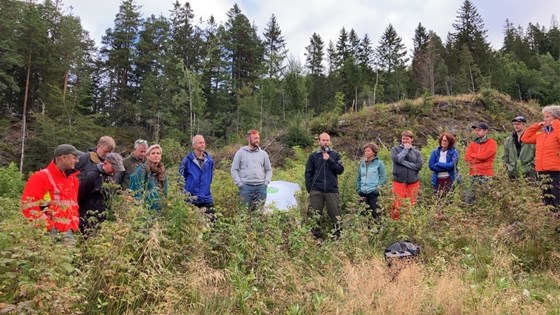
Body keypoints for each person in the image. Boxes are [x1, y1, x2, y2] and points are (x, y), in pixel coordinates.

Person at [21, 144, 80, 241]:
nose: (77, 161)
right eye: (74, 157)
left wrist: (73, 226)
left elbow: (74, 206)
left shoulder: (73, 180)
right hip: (47, 232)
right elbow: (28, 206)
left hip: (68, 231)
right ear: (63, 158)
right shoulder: (41, 177)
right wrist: (49, 226)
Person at [305, 133, 344, 238]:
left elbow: (340, 170)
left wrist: (330, 160)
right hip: (317, 190)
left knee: (336, 216)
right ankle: (315, 238)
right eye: (323, 140)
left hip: (332, 190)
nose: (325, 142)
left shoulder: (335, 155)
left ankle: (338, 237)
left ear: (330, 141)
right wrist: (310, 189)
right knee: (314, 216)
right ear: (319, 141)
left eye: (327, 140)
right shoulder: (313, 156)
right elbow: (308, 173)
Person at [521, 105, 560, 210]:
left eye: (548, 117)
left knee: (557, 198)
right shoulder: (541, 134)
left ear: (556, 118)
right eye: (544, 117)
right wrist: (537, 126)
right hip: (542, 170)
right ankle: (550, 221)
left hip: (556, 171)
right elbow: (525, 138)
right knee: (547, 199)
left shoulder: (557, 131)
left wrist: (556, 124)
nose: (545, 119)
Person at [78, 153, 125, 233]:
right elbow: (80, 195)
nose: (115, 171)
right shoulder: (92, 176)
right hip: (90, 217)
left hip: (106, 217)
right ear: (105, 163)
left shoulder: (114, 176)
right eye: (113, 168)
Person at [231, 129, 272, 211]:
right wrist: (239, 184)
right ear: (248, 139)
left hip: (261, 187)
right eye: (255, 138)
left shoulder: (263, 154)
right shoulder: (240, 153)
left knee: (258, 212)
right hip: (245, 188)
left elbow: (268, 170)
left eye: (258, 138)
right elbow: (234, 169)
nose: (257, 140)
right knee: (243, 212)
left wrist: (266, 182)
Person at [179, 135, 215, 220]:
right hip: (191, 199)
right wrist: (184, 195)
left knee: (211, 223)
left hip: (206, 198)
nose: (202, 144)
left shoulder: (209, 161)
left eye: (203, 142)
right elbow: (180, 179)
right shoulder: (186, 161)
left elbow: (210, 177)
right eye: (200, 143)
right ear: (194, 145)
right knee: (192, 225)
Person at [390, 130, 423, 220]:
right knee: (397, 204)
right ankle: (395, 223)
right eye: (403, 139)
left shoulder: (417, 153)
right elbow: (397, 159)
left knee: (411, 205)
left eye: (407, 139)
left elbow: (419, 166)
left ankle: (407, 224)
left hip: (413, 182)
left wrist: (404, 163)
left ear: (411, 139)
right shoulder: (395, 149)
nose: (405, 141)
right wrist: (405, 150)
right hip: (399, 181)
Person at [464, 122, 497, 205]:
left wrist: (473, 156)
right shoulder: (472, 144)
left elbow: (485, 156)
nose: (477, 132)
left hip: (486, 174)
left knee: (487, 197)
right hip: (473, 173)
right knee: (470, 198)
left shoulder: (492, 143)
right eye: (476, 130)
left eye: (479, 130)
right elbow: (467, 158)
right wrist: (479, 158)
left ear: (486, 131)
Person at [129, 144, 168, 211]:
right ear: (147, 156)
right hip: (146, 210)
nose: (156, 155)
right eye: (153, 153)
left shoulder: (162, 172)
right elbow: (136, 191)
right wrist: (140, 209)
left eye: (158, 153)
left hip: (159, 210)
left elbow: (165, 192)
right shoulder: (142, 170)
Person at [356, 142, 386, 219]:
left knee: (376, 214)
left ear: (374, 152)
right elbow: (359, 177)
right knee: (363, 214)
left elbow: (383, 177)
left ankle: (376, 230)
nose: (366, 152)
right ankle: (364, 230)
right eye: (365, 151)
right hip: (363, 193)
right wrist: (358, 189)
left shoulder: (379, 163)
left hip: (373, 193)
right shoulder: (362, 164)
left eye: (368, 151)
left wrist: (377, 189)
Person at [502, 116, 536, 180]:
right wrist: (508, 167)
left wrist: (531, 167)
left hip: (529, 173)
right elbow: (505, 156)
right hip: (512, 172)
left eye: (518, 124)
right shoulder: (509, 140)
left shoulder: (532, 139)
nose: (516, 126)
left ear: (524, 125)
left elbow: (537, 154)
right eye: (514, 124)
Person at [428, 132, 460, 197]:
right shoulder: (435, 152)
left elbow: (452, 166)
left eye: (446, 141)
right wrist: (446, 167)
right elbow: (431, 166)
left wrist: (438, 164)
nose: (444, 142)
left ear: (450, 142)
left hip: (449, 179)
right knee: (438, 199)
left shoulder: (454, 152)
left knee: (449, 199)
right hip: (437, 180)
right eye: (443, 140)